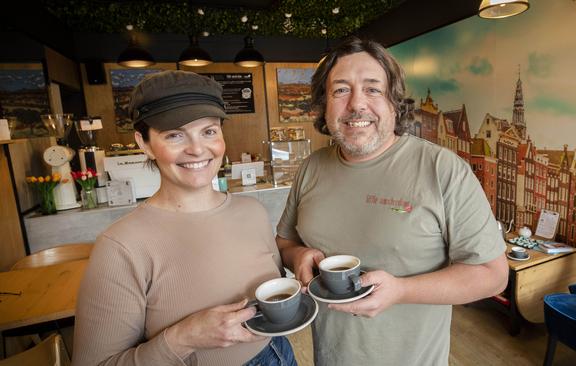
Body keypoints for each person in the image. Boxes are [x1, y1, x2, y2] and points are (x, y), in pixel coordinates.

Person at [276, 37, 509, 365]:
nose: (357, 104)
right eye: (341, 90)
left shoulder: (442, 168)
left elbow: (493, 274)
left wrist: (402, 290)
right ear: (323, 104)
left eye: (372, 89)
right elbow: (285, 241)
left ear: (393, 102)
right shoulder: (310, 168)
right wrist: (298, 254)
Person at [73, 70, 297, 366]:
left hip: (279, 354)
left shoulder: (252, 211)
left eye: (209, 131)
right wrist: (184, 337)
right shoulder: (121, 246)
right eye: (175, 135)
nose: (197, 149)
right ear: (145, 143)